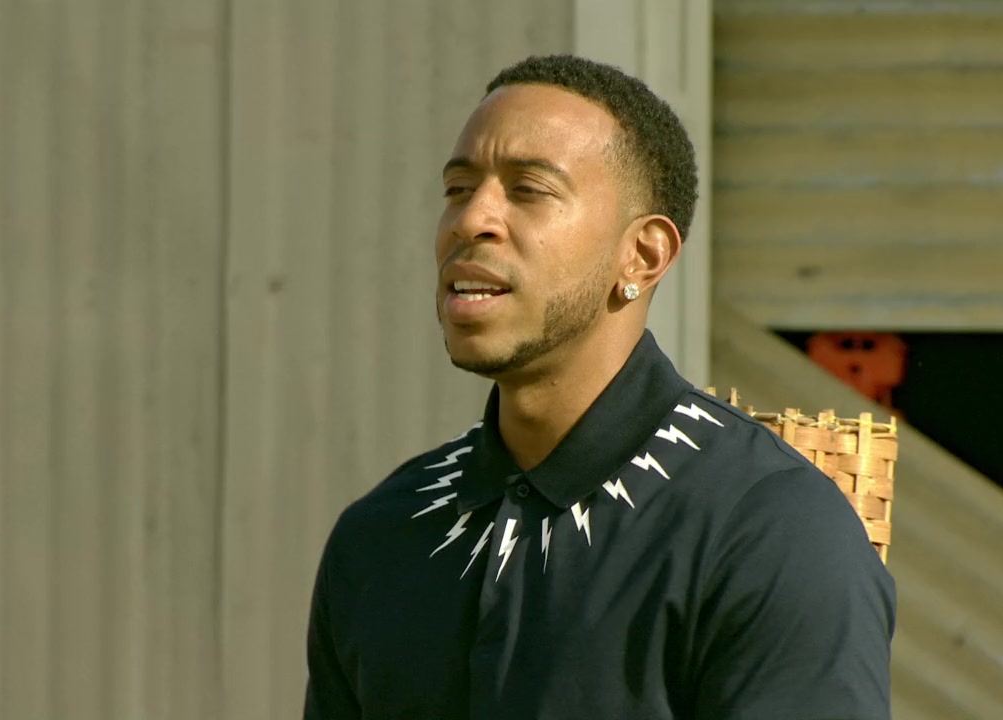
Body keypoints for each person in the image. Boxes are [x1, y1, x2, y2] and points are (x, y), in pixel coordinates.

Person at [304, 54, 895, 720]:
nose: (471, 220)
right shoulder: (381, 535)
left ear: (641, 256)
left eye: (529, 189)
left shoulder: (770, 532)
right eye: (458, 188)